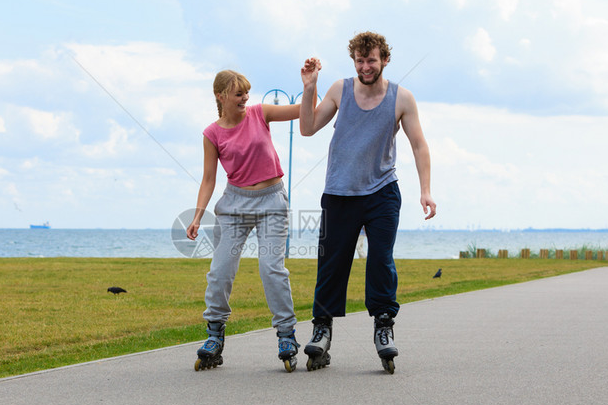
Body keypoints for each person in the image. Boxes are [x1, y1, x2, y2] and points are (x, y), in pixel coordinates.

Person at [299, 31, 437, 373]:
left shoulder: (401, 98)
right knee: (331, 265)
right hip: (339, 193)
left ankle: (384, 326)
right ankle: (322, 330)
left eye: (371, 60)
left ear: (385, 60)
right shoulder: (339, 90)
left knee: (380, 260)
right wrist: (308, 87)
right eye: (360, 61)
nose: (365, 66)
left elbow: (419, 145)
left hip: (382, 192)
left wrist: (426, 190)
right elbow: (307, 127)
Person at [187, 69, 312, 373]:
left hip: (271, 201)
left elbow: (306, 112)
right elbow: (208, 179)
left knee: (271, 268)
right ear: (220, 96)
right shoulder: (212, 134)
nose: (244, 98)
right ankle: (215, 336)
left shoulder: (260, 113)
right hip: (234, 205)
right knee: (219, 271)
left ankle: (286, 334)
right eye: (238, 93)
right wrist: (197, 215)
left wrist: (310, 86)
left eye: (246, 93)